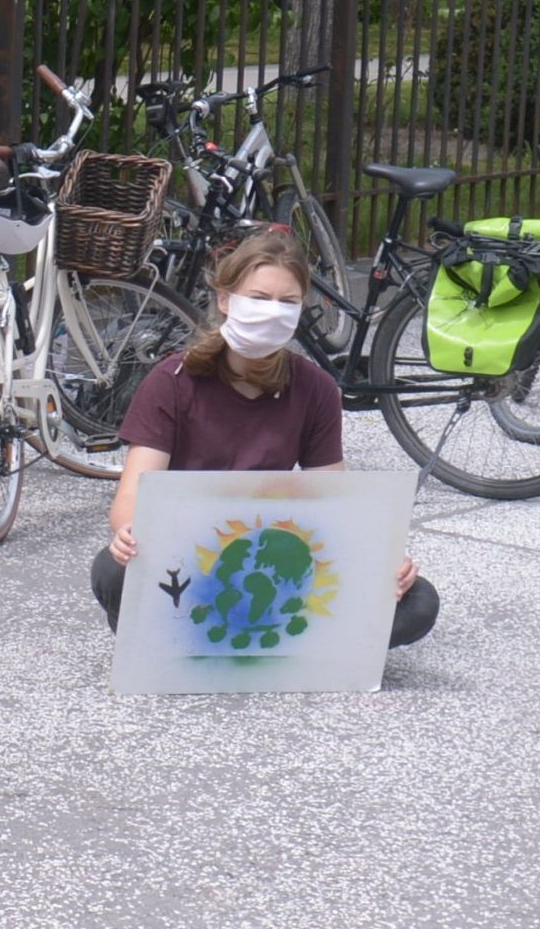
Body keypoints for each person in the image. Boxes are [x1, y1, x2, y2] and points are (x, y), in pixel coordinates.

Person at [97, 224, 438, 644]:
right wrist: (130, 534)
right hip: (186, 554)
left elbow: (332, 499)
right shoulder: (171, 381)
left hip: (273, 560)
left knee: (418, 601)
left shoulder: (314, 388)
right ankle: (281, 636)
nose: (272, 311)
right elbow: (131, 496)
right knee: (113, 573)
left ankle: (210, 631)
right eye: (259, 299)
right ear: (224, 300)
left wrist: (385, 560)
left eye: (287, 302)